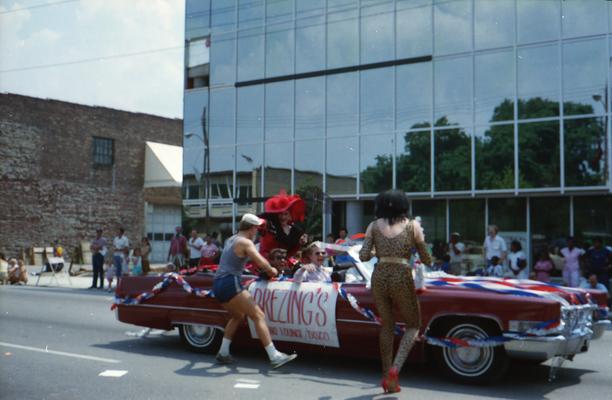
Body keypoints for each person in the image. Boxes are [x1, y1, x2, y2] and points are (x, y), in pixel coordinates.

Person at [359, 190, 432, 394]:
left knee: (387, 325)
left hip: (379, 276)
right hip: (401, 275)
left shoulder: (373, 225)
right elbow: (427, 258)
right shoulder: (412, 225)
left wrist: (378, 251)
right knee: (413, 325)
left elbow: (364, 255)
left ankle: (386, 378)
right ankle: (395, 369)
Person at [213, 213, 297, 369]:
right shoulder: (246, 242)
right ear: (251, 228)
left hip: (218, 283)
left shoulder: (231, 239)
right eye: (257, 228)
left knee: (238, 316)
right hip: (230, 282)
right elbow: (259, 260)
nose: (257, 231)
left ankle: (223, 353)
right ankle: (274, 356)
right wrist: (272, 270)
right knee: (258, 315)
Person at [258, 191, 307, 259]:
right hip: (265, 261)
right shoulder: (268, 226)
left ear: (290, 214)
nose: (283, 217)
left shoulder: (295, 231)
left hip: (283, 263)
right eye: (280, 214)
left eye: (286, 214)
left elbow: (292, 252)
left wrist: (300, 243)